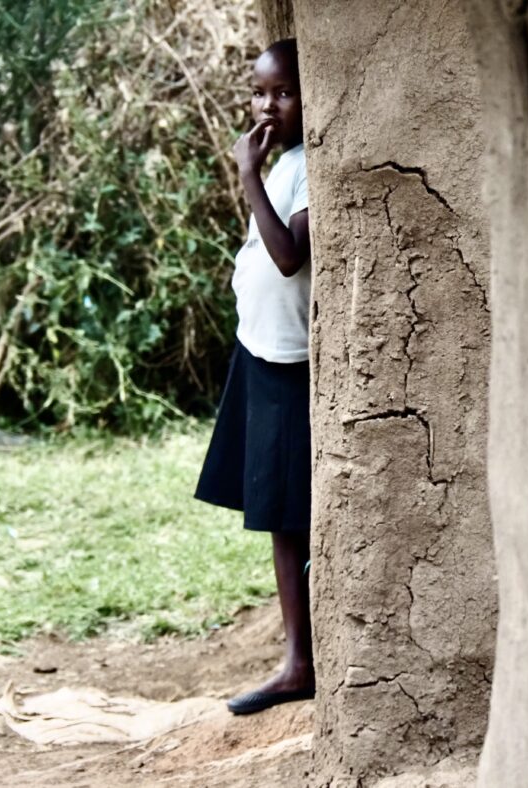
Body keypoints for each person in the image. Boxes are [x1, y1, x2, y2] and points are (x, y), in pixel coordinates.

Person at [194, 38, 315, 715]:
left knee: (292, 514)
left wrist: (246, 176)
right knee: (277, 515)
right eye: (260, 92)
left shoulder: (304, 166)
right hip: (262, 350)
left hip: (291, 360)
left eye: (283, 92)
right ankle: (296, 657)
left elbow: (290, 256)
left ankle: (301, 661)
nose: (268, 105)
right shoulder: (279, 163)